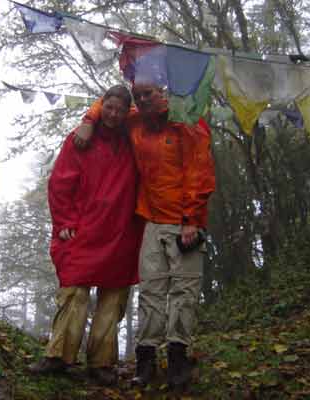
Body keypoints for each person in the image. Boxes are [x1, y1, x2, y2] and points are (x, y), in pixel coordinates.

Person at [74, 79, 215, 389]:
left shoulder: (186, 118)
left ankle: (179, 358)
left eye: (147, 94)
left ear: (163, 91)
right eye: (138, 96)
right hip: (151, 221)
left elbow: (199, 170)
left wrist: (191, 219)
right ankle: (146, 360)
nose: (142, 100)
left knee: (184, 292)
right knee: (150, 292)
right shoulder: (136, 120)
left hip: (185, 222)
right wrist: (87, 121)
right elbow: (109, 105)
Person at [29, 85, 144, 386]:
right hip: (83, 229)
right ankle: (58, 356)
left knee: (113, 298)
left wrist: (90, 117)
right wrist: (64, 220)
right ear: (101, 105)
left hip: (121, 231)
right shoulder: (80, 139)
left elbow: (147, 114)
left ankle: (102, 362)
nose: (113, 114)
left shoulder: (134, 138)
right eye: (108, 107)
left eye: (120, 110)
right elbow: (60, 183)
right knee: (74, 291)